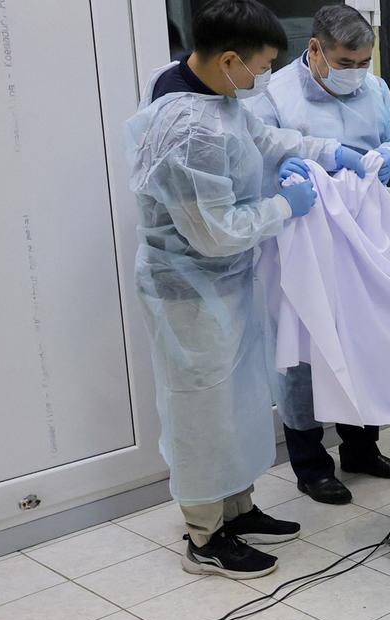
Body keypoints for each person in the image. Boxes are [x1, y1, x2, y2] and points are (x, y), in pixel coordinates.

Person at [124, 0, 367, 578]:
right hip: (188, 288)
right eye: (259, 68)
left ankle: (237, 508)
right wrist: (287, 204)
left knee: (237, 403)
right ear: (230, 59)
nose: (262, 81)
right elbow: (214, 233)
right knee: (203, 412)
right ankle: (205, 537)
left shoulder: (216, 92)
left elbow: (263, 137)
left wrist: (326, 152)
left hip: (223, 285)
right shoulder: (187, 128)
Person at [247, 4, 390, 505]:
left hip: (361, 237)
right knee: (301, 350)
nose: (355, 73)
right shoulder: (273, 93)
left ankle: (361, 448)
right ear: (316, 49)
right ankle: (309, 463)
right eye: (345, 63)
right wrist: (285, 175)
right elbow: (255, 155)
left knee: (359, 338)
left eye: (364, 61)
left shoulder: (375, 89)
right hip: (297, 240)